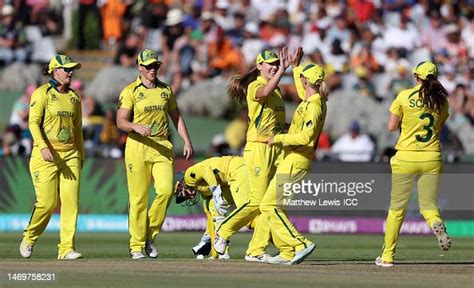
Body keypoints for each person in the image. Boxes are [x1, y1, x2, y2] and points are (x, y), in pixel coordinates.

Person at [229, 61, 328, 265]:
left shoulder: (315, 105)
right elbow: (302, 88)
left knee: (268, 205)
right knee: (274, 206)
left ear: (307, 81)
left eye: (302, 78)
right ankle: (281, 252)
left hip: (296, 159)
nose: (300, 80)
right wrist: (295, 66)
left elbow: (306, 138)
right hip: (292, 158)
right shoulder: (310, 99)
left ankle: (299, 244)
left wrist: (279, 138)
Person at [214, 48, 292, 263]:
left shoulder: (276, 91)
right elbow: (264, 93)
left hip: (276, 147)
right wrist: (283, 71)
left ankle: (256, 250)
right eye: (270, 63)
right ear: (259, 66)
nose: (274, 66)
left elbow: (276, 120)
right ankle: (224, 230)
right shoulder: (255, 86)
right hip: (258, 148)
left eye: (276, 63)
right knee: (257, 201)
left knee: (272, 203)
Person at [117, 48, 193, 260]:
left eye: (155, 66)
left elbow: (176, 117)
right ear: (139, 67)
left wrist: (187, 140)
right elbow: (120, 121)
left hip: (162, 146)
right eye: (148, 66)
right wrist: (135, 126)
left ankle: (149, 235)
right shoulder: (130, 91)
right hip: (137, 147)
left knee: (166, 191)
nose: (152, 69)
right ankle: (136, 245)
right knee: (139, 199)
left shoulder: (165, 90)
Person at [376, 61, 452, 268]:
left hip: (406, 158)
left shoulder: (403, 96)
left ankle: (388, 256)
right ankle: (436, 224)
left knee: (396, 210)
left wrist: (407, 122)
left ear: (416, 77)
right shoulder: (442, 100)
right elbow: (439, 126)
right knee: (428, 205)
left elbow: (391, 127)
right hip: (432, 157)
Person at [19, 55, 84, 260]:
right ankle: (29, 237)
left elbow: (78, 130)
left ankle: (66, 249)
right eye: (67, 69)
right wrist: (43, 146)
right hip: (45, 155)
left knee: (71, 202)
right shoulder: (42, 93)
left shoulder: (75, 97)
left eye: (72, 69)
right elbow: (33, 123)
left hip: (70, 154)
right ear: (55, 71)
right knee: (47, 203)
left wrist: (80, 154)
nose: (71, 72)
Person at [175, 156, 253, 259]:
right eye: (185, 198)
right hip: (229, 180)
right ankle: (222, 251)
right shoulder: (202, 190)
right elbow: (210, 213)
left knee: (247, 213)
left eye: (182, 194)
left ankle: (261, 247)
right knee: (214, 207)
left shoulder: (189, 175)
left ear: (181, 184)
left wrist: (215, 190)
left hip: (236, 169)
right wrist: (207, 239)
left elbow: (205, 170)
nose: (187, 197)